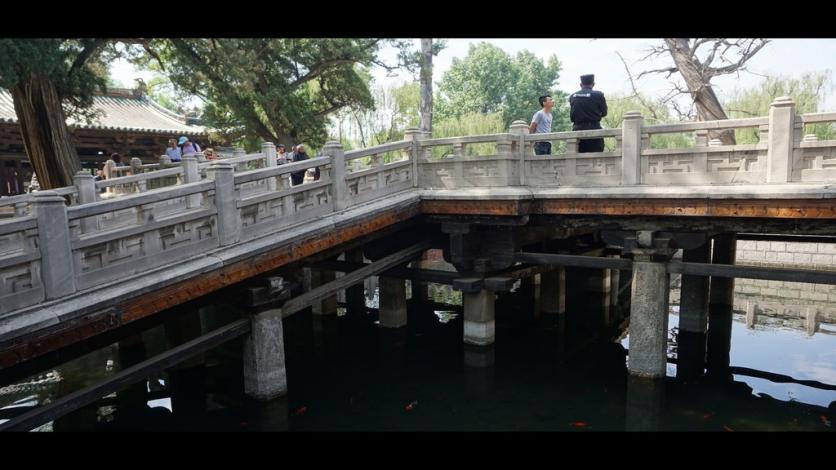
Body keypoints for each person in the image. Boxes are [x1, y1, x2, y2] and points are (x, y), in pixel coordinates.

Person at [569, 74, 608, 153]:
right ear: (593, 84)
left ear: (581, 85)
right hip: (594, 129)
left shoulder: (573, 96)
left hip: (577, 130)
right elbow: (604, 113)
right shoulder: (598, 95)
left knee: (579, 159)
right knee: (596, 158)